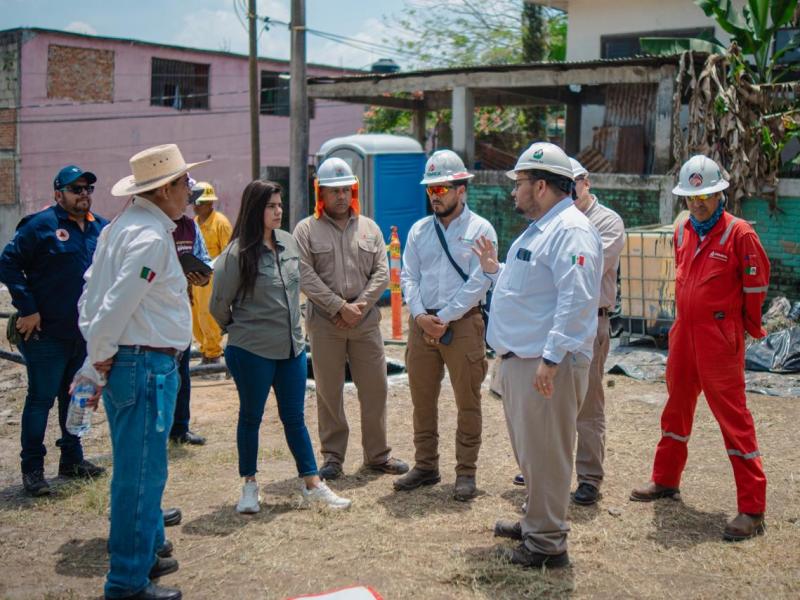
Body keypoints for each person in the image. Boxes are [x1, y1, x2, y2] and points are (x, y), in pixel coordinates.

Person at [77, 144, 209, 600]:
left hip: (135, 359)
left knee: (143, 467)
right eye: (184, 184)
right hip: (144, 362)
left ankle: (148, 551)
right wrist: (100, 354)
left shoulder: (120, 228)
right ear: (166, 188)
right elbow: (115, 303)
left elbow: (92, 296)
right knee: (140, 475)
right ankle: (128, 583)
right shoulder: (151, 237)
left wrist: (98, 350)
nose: (189, 192)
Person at [475, 142, 602, 568]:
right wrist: (496, 270)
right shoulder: (543, 227)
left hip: (547, 364)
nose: (515, 192)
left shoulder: (570, 229)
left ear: (542, 185)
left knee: (547, 451)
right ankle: (536, 519)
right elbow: (532, 286)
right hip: (524, 359)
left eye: (521, 183)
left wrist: (551, 359)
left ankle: (547, 543)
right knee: (532, 451)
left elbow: (576, 299)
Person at [631, 155, 770, 542]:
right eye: (692, 197)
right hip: (683, 335)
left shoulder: (739, 234)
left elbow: (757, 284)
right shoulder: (683, 232)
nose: (699, 203)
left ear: (719, 193)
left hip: (719, 339)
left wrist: (746, 327)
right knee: (676, 408)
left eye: (706, 195)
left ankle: (752, 508)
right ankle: (665, 480)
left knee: (733, 420)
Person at [210, 180, 352, 514]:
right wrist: (241, 331)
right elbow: (218, 306)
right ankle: (249, 486)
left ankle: (313, 485)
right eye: (271, 206)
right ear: (254, 210)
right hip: (251, 351)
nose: (278, 211)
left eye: (280, 205)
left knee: (294, 418)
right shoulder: (236, 255)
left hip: (291, 350)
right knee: (251, 417)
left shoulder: (288, 243)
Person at [294, 157, 408, 481]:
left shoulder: (370, 228)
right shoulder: (305, 230)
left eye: (346, 190)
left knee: (375, 388)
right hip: (325, 324)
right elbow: (304, 274)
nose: (341, 197)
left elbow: (382, 273)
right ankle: (332, 458)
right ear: (321, 193)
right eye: (334, 191)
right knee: (329, 392)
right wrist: (337, 307)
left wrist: (357, 306)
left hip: (365, 322)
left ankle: (378, 455)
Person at [395, 149, 496, 502]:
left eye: (442, 189)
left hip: (464, 323)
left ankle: (465, 472)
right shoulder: (420, 230)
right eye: (430, 190)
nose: (435, 196)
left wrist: (447, 317)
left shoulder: (481, 229)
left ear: (461, 189)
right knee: (422, 398)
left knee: (467, 401)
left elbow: (481, 279)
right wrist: (422, 315)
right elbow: (408, 275)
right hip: (423, 323)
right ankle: (426, 466)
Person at [0, 165, 107, 496]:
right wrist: (28, 308)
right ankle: (33, 470)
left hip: (83, 335)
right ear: (58, 194)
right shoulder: (40, 226)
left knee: (74, 398)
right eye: (76, 189)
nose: (83, 195)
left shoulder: (100, 228)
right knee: (40, 400)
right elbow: (8, 263)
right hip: (46, 334)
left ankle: (72, 460)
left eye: (88, 189)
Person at [169, 191, 212, 446]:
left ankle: (180, 428)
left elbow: (204, 259)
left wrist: (202, 276)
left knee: (182, 372)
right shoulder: (152, 226)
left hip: (181, 307)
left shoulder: (189, 227)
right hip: (153, 314)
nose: (187, 202)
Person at [191, 181, 232, 364]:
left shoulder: (220, 223)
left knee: (209, 315)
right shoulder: (193, 223)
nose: (195, 206)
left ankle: (213, 353)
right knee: (196, 316)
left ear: (209, 204)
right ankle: (204, 349)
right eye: (194, 202)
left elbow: (228, 253)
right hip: (194, 276)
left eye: (199, 203)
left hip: (213, 277)